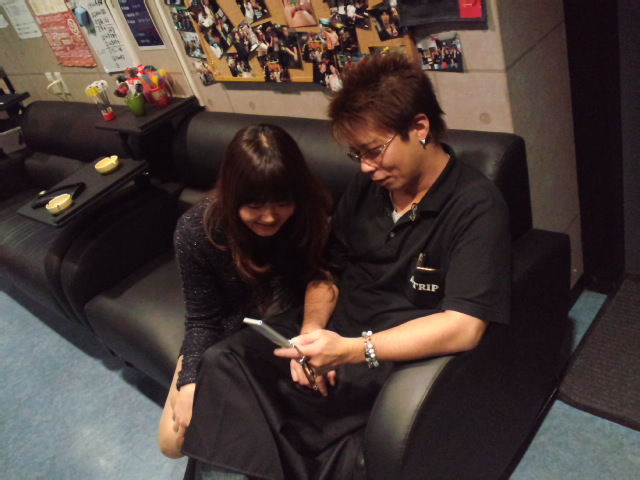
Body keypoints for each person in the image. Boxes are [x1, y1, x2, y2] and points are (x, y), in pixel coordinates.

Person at [179, 53, 510, 480]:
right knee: (226, 361)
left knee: (251, 430)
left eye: (374, 151)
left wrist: (354, 350)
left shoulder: (474, 205)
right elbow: (326, 272)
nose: (367, 168)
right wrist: (311, 331)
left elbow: (464, 325)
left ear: (419, 128)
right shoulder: (368, 189)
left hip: (384, 355)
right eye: (357, 155)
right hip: (333, 338)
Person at [157, 124, 333, 461]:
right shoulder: (197, 230)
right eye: (254, 205)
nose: (269, 217)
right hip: (229, 333)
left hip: (289, 327)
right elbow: (202, 320)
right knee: (172, 442)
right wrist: (190, 381)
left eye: (282, 202)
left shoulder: (311, 213)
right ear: (232, 196)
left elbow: (323, 276)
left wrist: (311, 331)